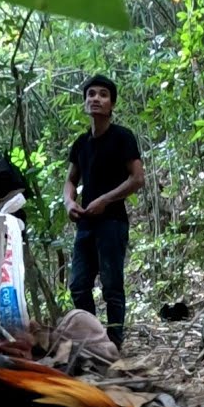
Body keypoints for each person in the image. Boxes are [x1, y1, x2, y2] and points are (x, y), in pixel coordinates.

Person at [63, 74, 144, 348]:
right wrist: (69, 202)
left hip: (112, 222)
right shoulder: (81, 143)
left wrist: (105, 200)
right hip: (85, 223)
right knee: (79, 286)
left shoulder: (122, 137)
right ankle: (93, 339)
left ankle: (115, 342)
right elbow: (71, 180)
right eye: (91, 94)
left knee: (112, 286)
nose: (95, 98)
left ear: (111, 104)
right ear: (85, 102)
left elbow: (137, 178)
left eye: (103, 94)